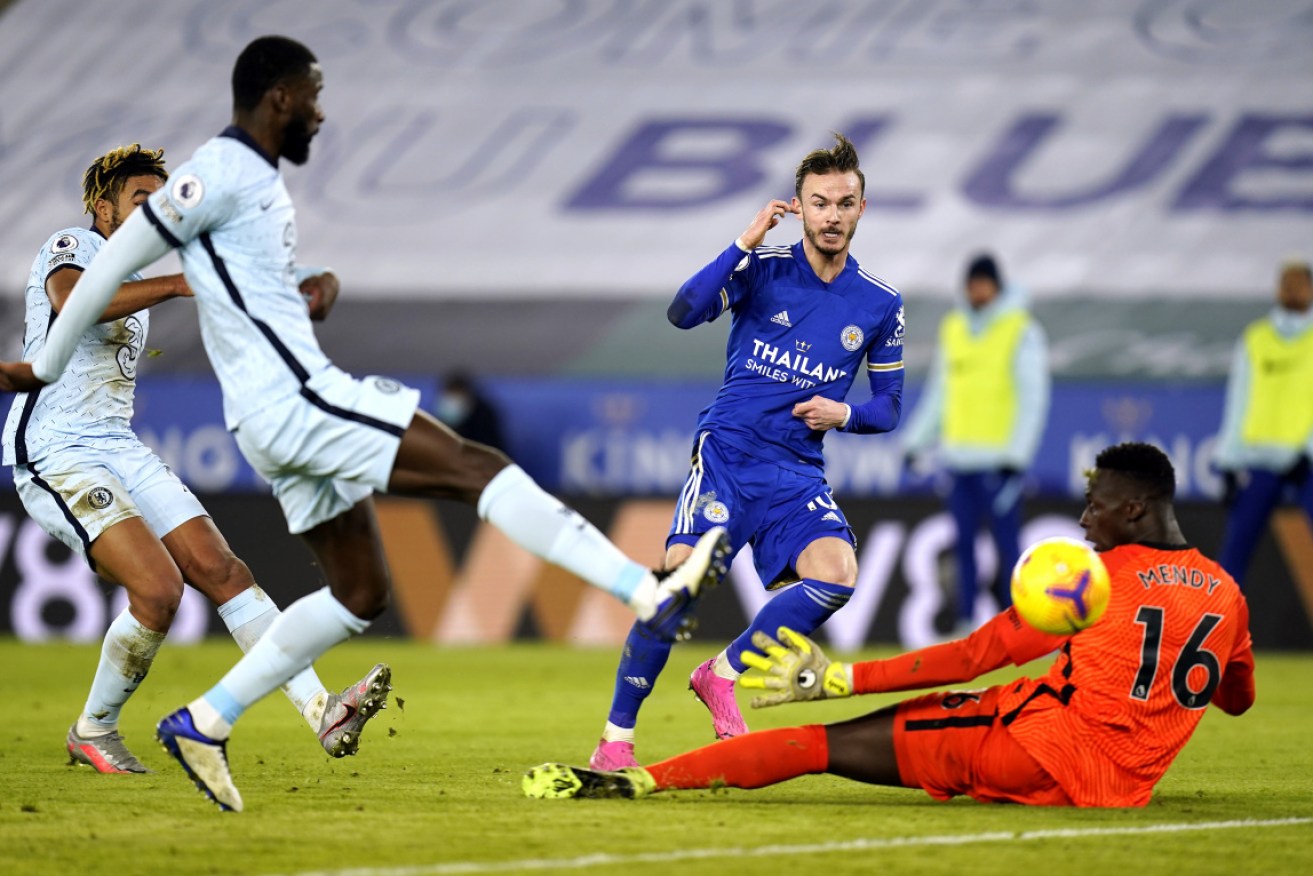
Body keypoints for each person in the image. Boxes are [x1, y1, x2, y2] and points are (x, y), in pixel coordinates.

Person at [0, 36, 729, 812]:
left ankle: (215, 721)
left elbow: (205, 294)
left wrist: (296, 292)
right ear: (280, 97)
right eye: (312, 93)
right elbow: (90, 289)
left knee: (335, 590)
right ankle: (644, 591)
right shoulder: (107, 227)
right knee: (469, 469)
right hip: (143, 431)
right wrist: (155, 301)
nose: (320, 109)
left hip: (173, 435)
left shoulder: (225, 201)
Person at [525, 442, 1256, 808]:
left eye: (1094, 505)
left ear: (1131, 510)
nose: (1082, 517)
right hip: (1123, 783)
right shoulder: (1226, 594)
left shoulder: (1095, 584)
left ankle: (635, 783)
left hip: (1034, 753)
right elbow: (1234, 699)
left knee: (814, 744)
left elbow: (975, 655)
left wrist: (836, 679)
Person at [1, 144, 390, 774]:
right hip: (56, 451)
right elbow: (78, 304)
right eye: (139, 200)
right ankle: (92, 730)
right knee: (158, 591)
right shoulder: (73, 245)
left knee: (224, 571)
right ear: (103, 208)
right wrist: (184, 283)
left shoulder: (136, 277)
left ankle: (324, 711)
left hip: (118, 446)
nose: (155, 212)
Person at [588, 133, 905, 772]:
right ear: (799, 207)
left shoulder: (880, 305)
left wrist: (843, 413)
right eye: (820, 203)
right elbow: (683, 312)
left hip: (795, 472)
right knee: (677, 585)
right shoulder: (762, 270)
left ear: (862, 209)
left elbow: (891, 407)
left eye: (845, 203)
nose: (833, 216)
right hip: (728, 455)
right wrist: (743, 243)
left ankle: (722, 673)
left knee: (836, 573)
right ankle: (615, 739)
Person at [900, 253, 1050, 633]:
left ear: (997, 286)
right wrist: (917, 442)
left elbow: (1034, 396)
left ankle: (1020, 627)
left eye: (984, 283)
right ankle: (967, 625)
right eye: (972, 283)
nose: (978, 290)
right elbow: (940, 393)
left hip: (999, 461)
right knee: (963, 549)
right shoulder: (954, 327)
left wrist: (1017, 456)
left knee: (1008, 550)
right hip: (958, 460)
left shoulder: (1021, 328)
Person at [1213, 259, 1313, 587]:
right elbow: (1239, 399)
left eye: (1299, 283)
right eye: (1286, 283)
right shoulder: (1257, 338)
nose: (1292, 290)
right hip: (1261, 460)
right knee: (1234, 555)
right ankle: (1219, 631)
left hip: (1307, 461)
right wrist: (1228, 460)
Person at [434, 370, 505, 451]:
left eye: (457, 394)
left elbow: (492, 450)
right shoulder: (438, 417)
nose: (452, 401)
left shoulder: (484, 418)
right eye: (450, 394)